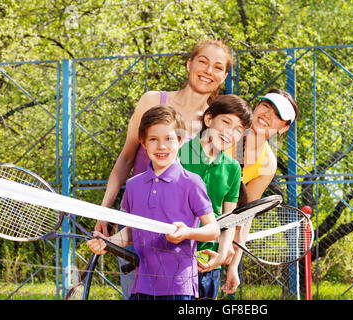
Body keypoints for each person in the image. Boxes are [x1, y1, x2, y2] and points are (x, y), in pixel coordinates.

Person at [93, 39, 233, 298]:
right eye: (202, 61)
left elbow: (223, 192)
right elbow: (125, 159)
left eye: (217, 67)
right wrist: (104, 212)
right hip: (138, 234)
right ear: (189, 63)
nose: (208, 71)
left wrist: (224, 248)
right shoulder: (152, 100)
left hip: (180, 248)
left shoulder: (213, 124)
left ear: (224, 75)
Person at [87, 105, 220, 300]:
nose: (162, 146)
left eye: (169, 139)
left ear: (181, 141)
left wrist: (187, 233)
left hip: (178, 288)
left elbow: (213, 230)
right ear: (143, 143)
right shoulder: (133, 185)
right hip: (142, 286)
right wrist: (107, 243)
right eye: (153, 139)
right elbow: (134, 231)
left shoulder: (191, 182)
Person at [220, 88, 299, 295]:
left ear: (284, 128)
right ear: (256, 107)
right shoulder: (226, 133)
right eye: (265, 105)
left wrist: (234, 264)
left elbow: (245, 215)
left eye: (277, 114)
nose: (267, 114)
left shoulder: (268, 163)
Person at [178, 94, 253, 299]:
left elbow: (229, 218)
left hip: (208, 265)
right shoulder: (177, 152)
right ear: (209, 119)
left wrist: (221, 253)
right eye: (226, 122)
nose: (230, 133)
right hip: (172, 261)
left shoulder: (233, 167)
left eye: (238, 130)